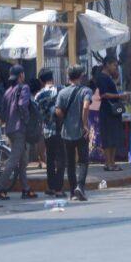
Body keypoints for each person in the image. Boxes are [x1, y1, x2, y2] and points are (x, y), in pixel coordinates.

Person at [0, 65, 38, 200]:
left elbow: (3, 110)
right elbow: (22, 105)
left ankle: (25, 188)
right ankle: (0, 187)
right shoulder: (24, 87)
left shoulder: (8, 91)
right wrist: (26, 120)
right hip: (20, 129)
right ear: (21, 75)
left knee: (23, 160)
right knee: (14, 160)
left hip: (10, 129)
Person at [55, 65, 93, 201]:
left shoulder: (62, 93)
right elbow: (86, 106)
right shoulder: (86, 91)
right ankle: (80, 187)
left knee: (70, 163)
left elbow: (58, 111)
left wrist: (66, 119)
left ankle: (72, 192)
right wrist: (84, 124)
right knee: (83, 161)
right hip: (81, 132)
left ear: (69, 77)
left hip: (66, 132)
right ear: (81, 76)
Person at [35, 68, 65, 196]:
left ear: (41, 81)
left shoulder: (38, 95)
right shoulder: (61, 89)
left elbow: (37, 114)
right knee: (61, 159)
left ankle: (51, 187)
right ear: (52, 78)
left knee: (50, 159)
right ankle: (58, 188)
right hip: (61, 129)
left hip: (47, 130)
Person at [96, 56, 125, 172]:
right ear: (107, 64)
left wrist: (116, 80)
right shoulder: (102, 77)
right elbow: (103, 94)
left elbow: (112, 89)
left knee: (114, 137)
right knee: (108, 138)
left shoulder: (108, 77)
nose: (115, 68)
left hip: (113, 111)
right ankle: (108, 163)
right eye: (114, 65)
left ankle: (112, 162)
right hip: (107, 111)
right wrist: (119, 96)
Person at [86, 66, 105, 163]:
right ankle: (95, 155)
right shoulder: (96, 84)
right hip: (94, 111)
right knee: (95, 133)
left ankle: (95, 154)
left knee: (94, 132)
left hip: (93, 111)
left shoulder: (90, 84)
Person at [28, 78, 47, 169]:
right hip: (33, 125)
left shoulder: (27, 97)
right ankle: (42, 160)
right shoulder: (35, 99)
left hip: (27, 125)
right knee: (40, 140)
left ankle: (39, 161)